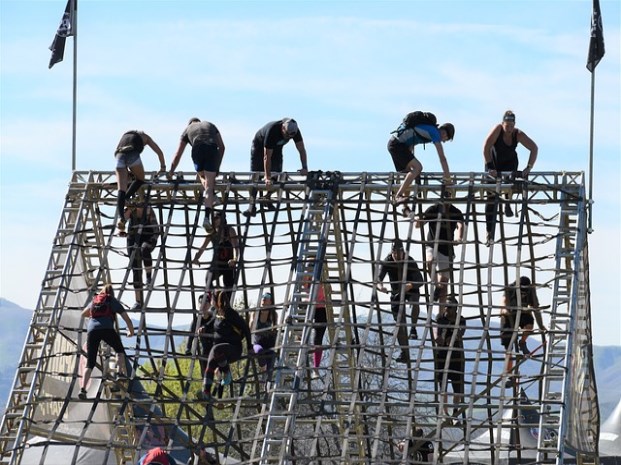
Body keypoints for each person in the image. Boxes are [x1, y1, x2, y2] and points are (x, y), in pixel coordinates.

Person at [482, 110, 538, 245]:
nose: (509, 129)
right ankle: (489, 232)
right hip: (493, 164)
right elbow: (486, 147)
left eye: (511, 126)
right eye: (507, 126)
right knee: (490, 199)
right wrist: (490, 167)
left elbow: (534, 148)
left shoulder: (517, 134)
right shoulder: (497, 130)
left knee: (509, 185)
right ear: (503, 124)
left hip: (509, 164)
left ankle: (507, 201)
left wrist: (528, 168)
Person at [168, 118, 226, 233]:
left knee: (201, 176)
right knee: (209, 186)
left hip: (198, 149)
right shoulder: (210, 124)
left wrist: (171, 171)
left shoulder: (187, 130)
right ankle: (206, 217)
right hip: (212, 149)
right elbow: (222, 147)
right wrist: (217, 167)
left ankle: (211, 195)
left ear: (190, 123)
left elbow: (177, 155)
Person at [78, 284, 135, 400]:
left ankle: (83, 390)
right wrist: (131, 332)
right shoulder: (111, 300)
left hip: (92, 331)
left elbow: (83, 313)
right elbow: (127, 318)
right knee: (120, 350)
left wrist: (94, 316)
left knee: (90, 363)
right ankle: (119, 374)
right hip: (107, 329)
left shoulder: (95, 300)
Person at [388, 114, 455, 207]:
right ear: (444, 133)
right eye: (445, 139)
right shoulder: (435, 133)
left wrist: (410, 158)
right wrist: (448, 179)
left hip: (396, 144)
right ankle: (398, 196)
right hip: (398, 145)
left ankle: (404, 207)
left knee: (409, 174)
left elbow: (411, 140)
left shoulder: (428, 129)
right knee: (418, 168)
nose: (443, 141)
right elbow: (442, 158)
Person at [376, 239, 424, 363]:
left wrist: (411, 284)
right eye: (394, 253)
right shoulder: (387, 261)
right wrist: (381, 287)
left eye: (399, 253)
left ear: (403, 252)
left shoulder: (410, 260)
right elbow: (378, 278)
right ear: (391, 252)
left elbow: (420, 280)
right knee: (399, 324)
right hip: (396, 293)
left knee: (415, 301)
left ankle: (413, 329)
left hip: (411, 289)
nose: (397, 256)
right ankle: (404, 352)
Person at [201, 291, 252, 399]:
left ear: (216, 300)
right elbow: (211, 323)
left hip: (233, 349)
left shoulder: (230, 313)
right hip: (220, 352)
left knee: (215, 349)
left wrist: (249, 346)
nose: (211, 301)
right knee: (210, 364)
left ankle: (227, 373)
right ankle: (206, 392)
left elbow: (246, 328)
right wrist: (204, 327)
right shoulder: (217, 313)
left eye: (212, 299)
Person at [415, 194, 464, 307]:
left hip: (447, 249)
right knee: (429, 261)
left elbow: (460, 225)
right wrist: (418, 221)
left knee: (444, 286)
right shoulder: (434, 208)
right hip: (432, 244)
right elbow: (419, 224)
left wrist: (459, 238)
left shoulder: (455, 211)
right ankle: (436, 285)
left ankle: (441, 314)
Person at [114, 130, 166, 235]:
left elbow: (120, 152)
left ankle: (122, 218)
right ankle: (127, 197)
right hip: (132, 153)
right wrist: (163, 167)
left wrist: (127, 170)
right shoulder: (145, 137)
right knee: (140, 179)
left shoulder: (125, 135)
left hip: (118, 156)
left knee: (121, 189)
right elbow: (159, 152)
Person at [500, 276, 547, 386]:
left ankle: (522, 342)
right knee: (509, 349)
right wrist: (507, 311)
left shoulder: (531, 290)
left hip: (523, 314)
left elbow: (535, 308)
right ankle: (510, 375)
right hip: (508, 317)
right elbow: (502, 304)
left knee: (529, 325)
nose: (523, 294)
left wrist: (541, 325)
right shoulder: (510, 289)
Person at [433, 296, 466, 420]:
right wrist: (437, 337)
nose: (446, 308)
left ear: (455, 309)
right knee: (443, 385)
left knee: (457, 387)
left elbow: (461, 332)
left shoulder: (461, 320)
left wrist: (451, 338)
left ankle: (455, 411)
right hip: (442, 355)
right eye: (445, 306)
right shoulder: (440, 318)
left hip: (456, 356)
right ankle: (445, 413)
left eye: (449, 307)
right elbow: (435, 329)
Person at [250, 118, 308, 186]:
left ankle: (269, 195)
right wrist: (267, 177)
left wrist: (304, 167)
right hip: (259, 146)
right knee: (257, 175)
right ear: (283, 128)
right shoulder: (273, 130)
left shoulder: (295, 131)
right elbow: (267, 157)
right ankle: (253, 195)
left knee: (277, 175)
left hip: (276, 148)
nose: (288, 137)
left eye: (291, 137)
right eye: (287, 135)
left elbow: (301, 150)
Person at [124, 205, 161, 310]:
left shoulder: (149, 211)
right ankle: (138, 301)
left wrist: (152, 240)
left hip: (148, 237)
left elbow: (156, 230)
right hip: (133, 238)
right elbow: (121, 222)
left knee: (144, 249)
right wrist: (122, 228)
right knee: (135, 268)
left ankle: (149, 276)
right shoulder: (131, 210)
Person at [192, 210, 240, 292]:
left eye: (216, 218)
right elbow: (202, 248)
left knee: (229, 288)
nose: (214, 220)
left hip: (229, 265)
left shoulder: (230, 230)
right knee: (208, 279)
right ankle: (214, 299)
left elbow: (236, 248)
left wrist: (235, 259)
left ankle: (224, 301)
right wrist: (196, 258)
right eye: (212, 219)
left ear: (222, 218)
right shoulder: (211, 233)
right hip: (217, 264)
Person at [250, 292, 279, 380]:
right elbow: (250, 327)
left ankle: (267, 387)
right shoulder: (255, 313)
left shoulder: (273, 314)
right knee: (259, 351)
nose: (264, 299)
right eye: (263, 297)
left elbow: (274, 328)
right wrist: (254, 318)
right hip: (257, 342)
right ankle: (263, 367)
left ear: (270, 301)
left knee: (269, 371)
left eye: (267, 297)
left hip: (269, 344)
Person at [185, 292, 216, 375]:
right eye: (201, 303)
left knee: (217, 371)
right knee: (205, 372)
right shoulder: (196, 320)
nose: (203, 305)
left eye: (205, 303)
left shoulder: (214, 318)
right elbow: (191, 334)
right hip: (204, 349)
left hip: (215, 347)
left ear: (209, 305)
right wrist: (188, 349)